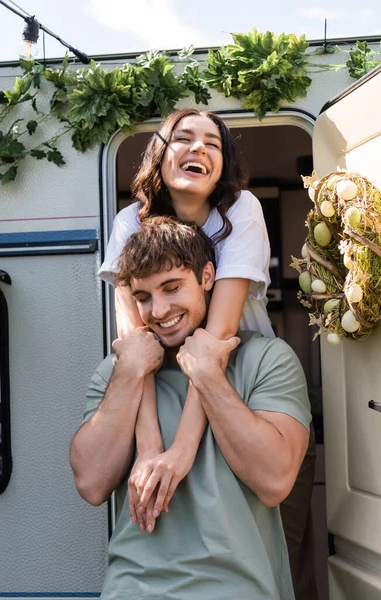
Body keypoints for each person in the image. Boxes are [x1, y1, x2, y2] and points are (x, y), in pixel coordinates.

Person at [98, 109, 318, 598]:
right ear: (160, 151)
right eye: (184, 138)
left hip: (244, 384)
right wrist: (152, 447)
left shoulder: (240, 211)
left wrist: (180, 451)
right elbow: (139, 356)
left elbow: (208, 352)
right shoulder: (128, 223)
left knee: (281, 547)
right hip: (169, 390)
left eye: (213, 144)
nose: (199, 148)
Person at [70, 217, 312, 599]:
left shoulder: (266, 360)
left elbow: (274, 481)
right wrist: (131, 369)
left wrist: (207, 373)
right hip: (132, 590)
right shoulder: (117, 374)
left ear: (207, 276)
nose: (159, 310)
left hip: (238, 589)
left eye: (171, 288)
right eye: (144, 297)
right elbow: (91, 483)